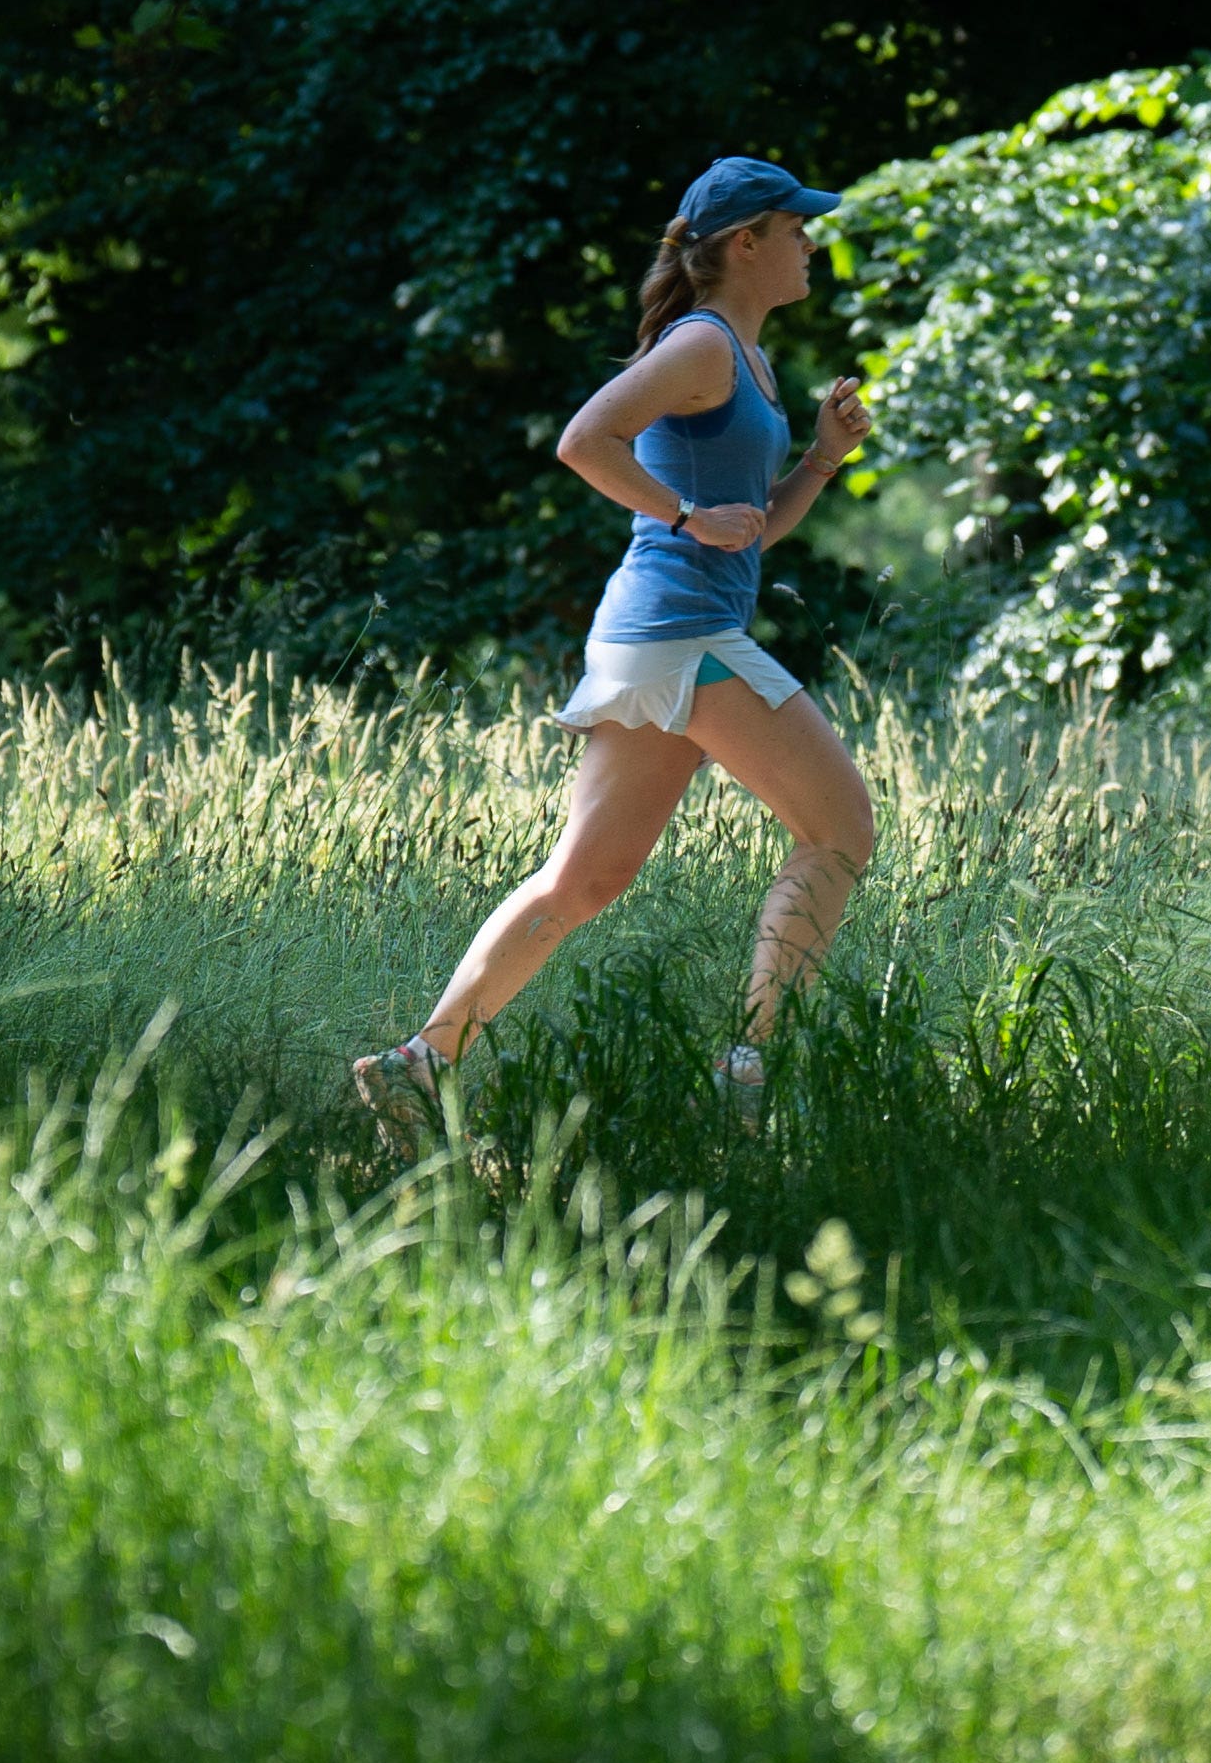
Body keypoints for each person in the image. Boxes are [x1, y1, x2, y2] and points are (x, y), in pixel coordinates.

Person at [353, 155, 877, 1138]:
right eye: (794, 226)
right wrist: (681, 514)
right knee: (841, 826)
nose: (811, 241)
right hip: (685, 633)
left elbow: (750, 527)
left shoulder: (750, 364)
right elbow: (585, 439)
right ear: (743, 243)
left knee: (585, 879)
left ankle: (419, 1064)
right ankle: (751, 1065)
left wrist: (819, 459)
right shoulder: (703, 346)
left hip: (655, 638)